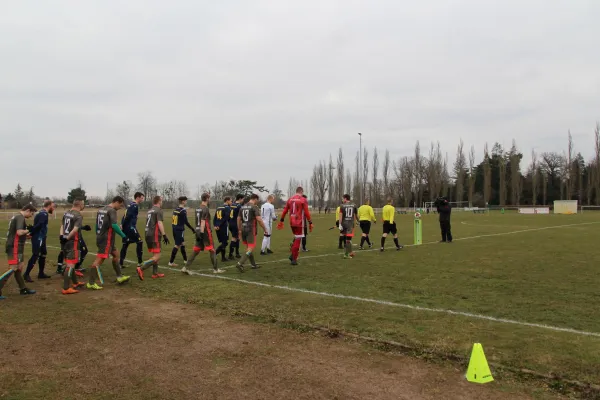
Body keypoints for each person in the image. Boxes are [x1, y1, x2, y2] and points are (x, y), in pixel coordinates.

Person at [87, 196, 131, 290]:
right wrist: (124, 236)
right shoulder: (112, 211)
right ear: (116, 202)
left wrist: (98, 234)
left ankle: (119, 277)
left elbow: (96, 225)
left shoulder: (101, 209)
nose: (120, 207)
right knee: (99, 260)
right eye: (120, 205)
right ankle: (91, 283)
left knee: (116, 254)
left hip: (105, 238)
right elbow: (114, 225)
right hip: (106, 239)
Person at [0, 205, 37, 299]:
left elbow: (17, 233)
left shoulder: (16, 216)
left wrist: (26, 235)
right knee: (13, 268)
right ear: (28, 210)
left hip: (16, 246)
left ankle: (23, 288)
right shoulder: (20, 217)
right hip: (14, 246)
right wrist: (28, 230)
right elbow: (19, 232)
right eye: (31, 213)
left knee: (19, 268)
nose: (31, 216)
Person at [182, 193, 223, 274]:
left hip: (198, 230)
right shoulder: (206, 208)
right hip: (204, 231)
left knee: (196, 250)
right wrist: (201, 232)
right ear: (207, 198)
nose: (210, 199)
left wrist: (198, 233)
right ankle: (216, 269)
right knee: (212, 250)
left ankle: (185, 267)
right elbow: (203, 221)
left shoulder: (197, 208)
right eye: (209, 198)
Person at [277, 186, 313, 266]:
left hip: (292, 222)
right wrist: (310, 222)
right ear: (301, 192)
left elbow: (285, 210)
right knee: (298, 240)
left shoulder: (290, 199)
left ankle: (292, 256)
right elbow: (306, 212)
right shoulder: (303, 199)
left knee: (296, 237)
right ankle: (294, 259)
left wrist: (281, 220)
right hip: (300, 222)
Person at [137, 196, 169, 280]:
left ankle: (155, 273)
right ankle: (141, 268)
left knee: (155, 254)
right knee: (158, 256)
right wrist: (164, 235)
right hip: (154, 234)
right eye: (161, 201)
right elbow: (159, 223)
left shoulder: (149, 211)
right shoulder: (159, 210)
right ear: (159, 201)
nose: (162, 202)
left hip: (147, 233)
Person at [24, 200, 56, 281]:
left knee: (43, 253)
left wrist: (32, 232)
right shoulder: (44, 214)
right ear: (49, 206)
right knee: (35, 254)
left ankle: (41, 273)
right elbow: (40, 225)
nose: (54, 208)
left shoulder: (41, 213)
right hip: (39, 237)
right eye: (53, 206)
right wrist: (31, 232)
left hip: (42, 236)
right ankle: (26, 274)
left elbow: (39, 225)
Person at [60, 198, 87, 295]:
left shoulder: (67, 212)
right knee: (70, 265)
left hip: (65, 241)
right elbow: (75, 230)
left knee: (71, 263)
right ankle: (66, 288)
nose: (84, 206)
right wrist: (67, 238)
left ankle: (75, 283)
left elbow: (62, 225)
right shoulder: (78, 215)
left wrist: (62, 237)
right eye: (83, 204)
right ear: (80, 205)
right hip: (73, 242)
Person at [236, 194, 266, 272]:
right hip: (250, 229)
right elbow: (259, 219)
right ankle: (240, 263)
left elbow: (238, 219)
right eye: (257, 200)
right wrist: (265, 229)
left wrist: (239, 229)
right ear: (255, 199)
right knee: (250, 247)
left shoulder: (242, 207)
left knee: (248, 247)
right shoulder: (254, 207)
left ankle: (253, 264)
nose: (258, 201)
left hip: (243, 228)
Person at [119, 192, 145, 270]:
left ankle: (120, 263)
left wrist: (122, 224)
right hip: (130, 227)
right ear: (138, 197)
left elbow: (124, 216)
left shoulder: (130, 204)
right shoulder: (135, 205)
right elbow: (128, 216)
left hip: (126, 228)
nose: (142, 199)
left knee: (125, 244)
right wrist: (123, 225)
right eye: (142, 198)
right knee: (139, 242)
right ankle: (140, 263)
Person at [168, 196, 196, 267]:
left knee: (182, 244)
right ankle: (171, 262)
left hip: (174, 229)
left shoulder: (176, 210)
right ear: (183, 201)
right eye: (186, 201)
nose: (186, 202)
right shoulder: (183, 211)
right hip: (179, 230)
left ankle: (185, 260)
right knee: (177, 245)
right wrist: (192, 229)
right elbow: (186, 222)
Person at [339, 194, 358, 259]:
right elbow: (356, 215)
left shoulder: (342, 206)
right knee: (348, 240)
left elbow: (340, 216)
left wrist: (339, 224)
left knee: (347, 239)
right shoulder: (354, 205)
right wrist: (358, 221)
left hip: (344, 224)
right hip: (350, 225)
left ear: (345, 198)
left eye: (343, 198)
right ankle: (346, 254)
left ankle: (350, 252)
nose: (342, 200)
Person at [214, 197, 232, 262]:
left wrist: (215, 225)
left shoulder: (218, 207)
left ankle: (223, 258)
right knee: (225, 243)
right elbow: (225, 218)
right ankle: (214, 253)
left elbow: (215, 218)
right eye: (230, 201)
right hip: (223, 227)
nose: (231, 202)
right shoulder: (227, 208)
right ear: (227, 201)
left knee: (223, 242)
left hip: (217, 227)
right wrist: (219, 225)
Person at [228, 194, 244, 259]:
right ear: (240, 199)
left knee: (237, 238)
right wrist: (240, 226)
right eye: (243, 199)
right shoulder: (239, 206)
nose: (243, 200)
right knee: (234, 238)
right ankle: (230, 254)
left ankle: (237, 253)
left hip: (231, 223)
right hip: (235, 224)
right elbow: (240, 217)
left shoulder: (232, 205)